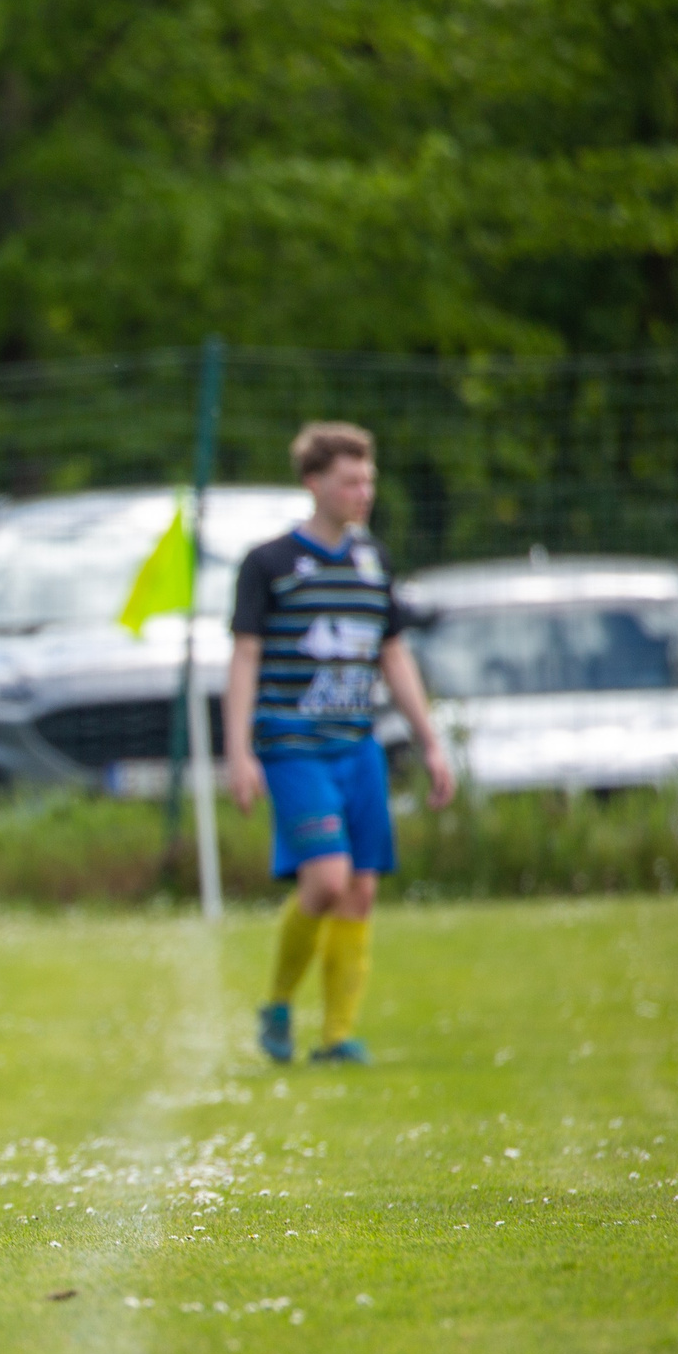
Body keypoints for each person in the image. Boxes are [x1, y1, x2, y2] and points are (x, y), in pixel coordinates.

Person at [225, 422, 454, 1067]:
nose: (363, 492)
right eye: (350, 480)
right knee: (325, 879)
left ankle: (335, 1037)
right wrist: (238, 751)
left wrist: (429, 741)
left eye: (369, 480)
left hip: (358, 746)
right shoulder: (269, 563)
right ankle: (276, 1003)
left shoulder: (372, 560)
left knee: (361, 889)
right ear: (314, 483)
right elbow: (244, 657)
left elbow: (393, 652)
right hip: (293, 744)